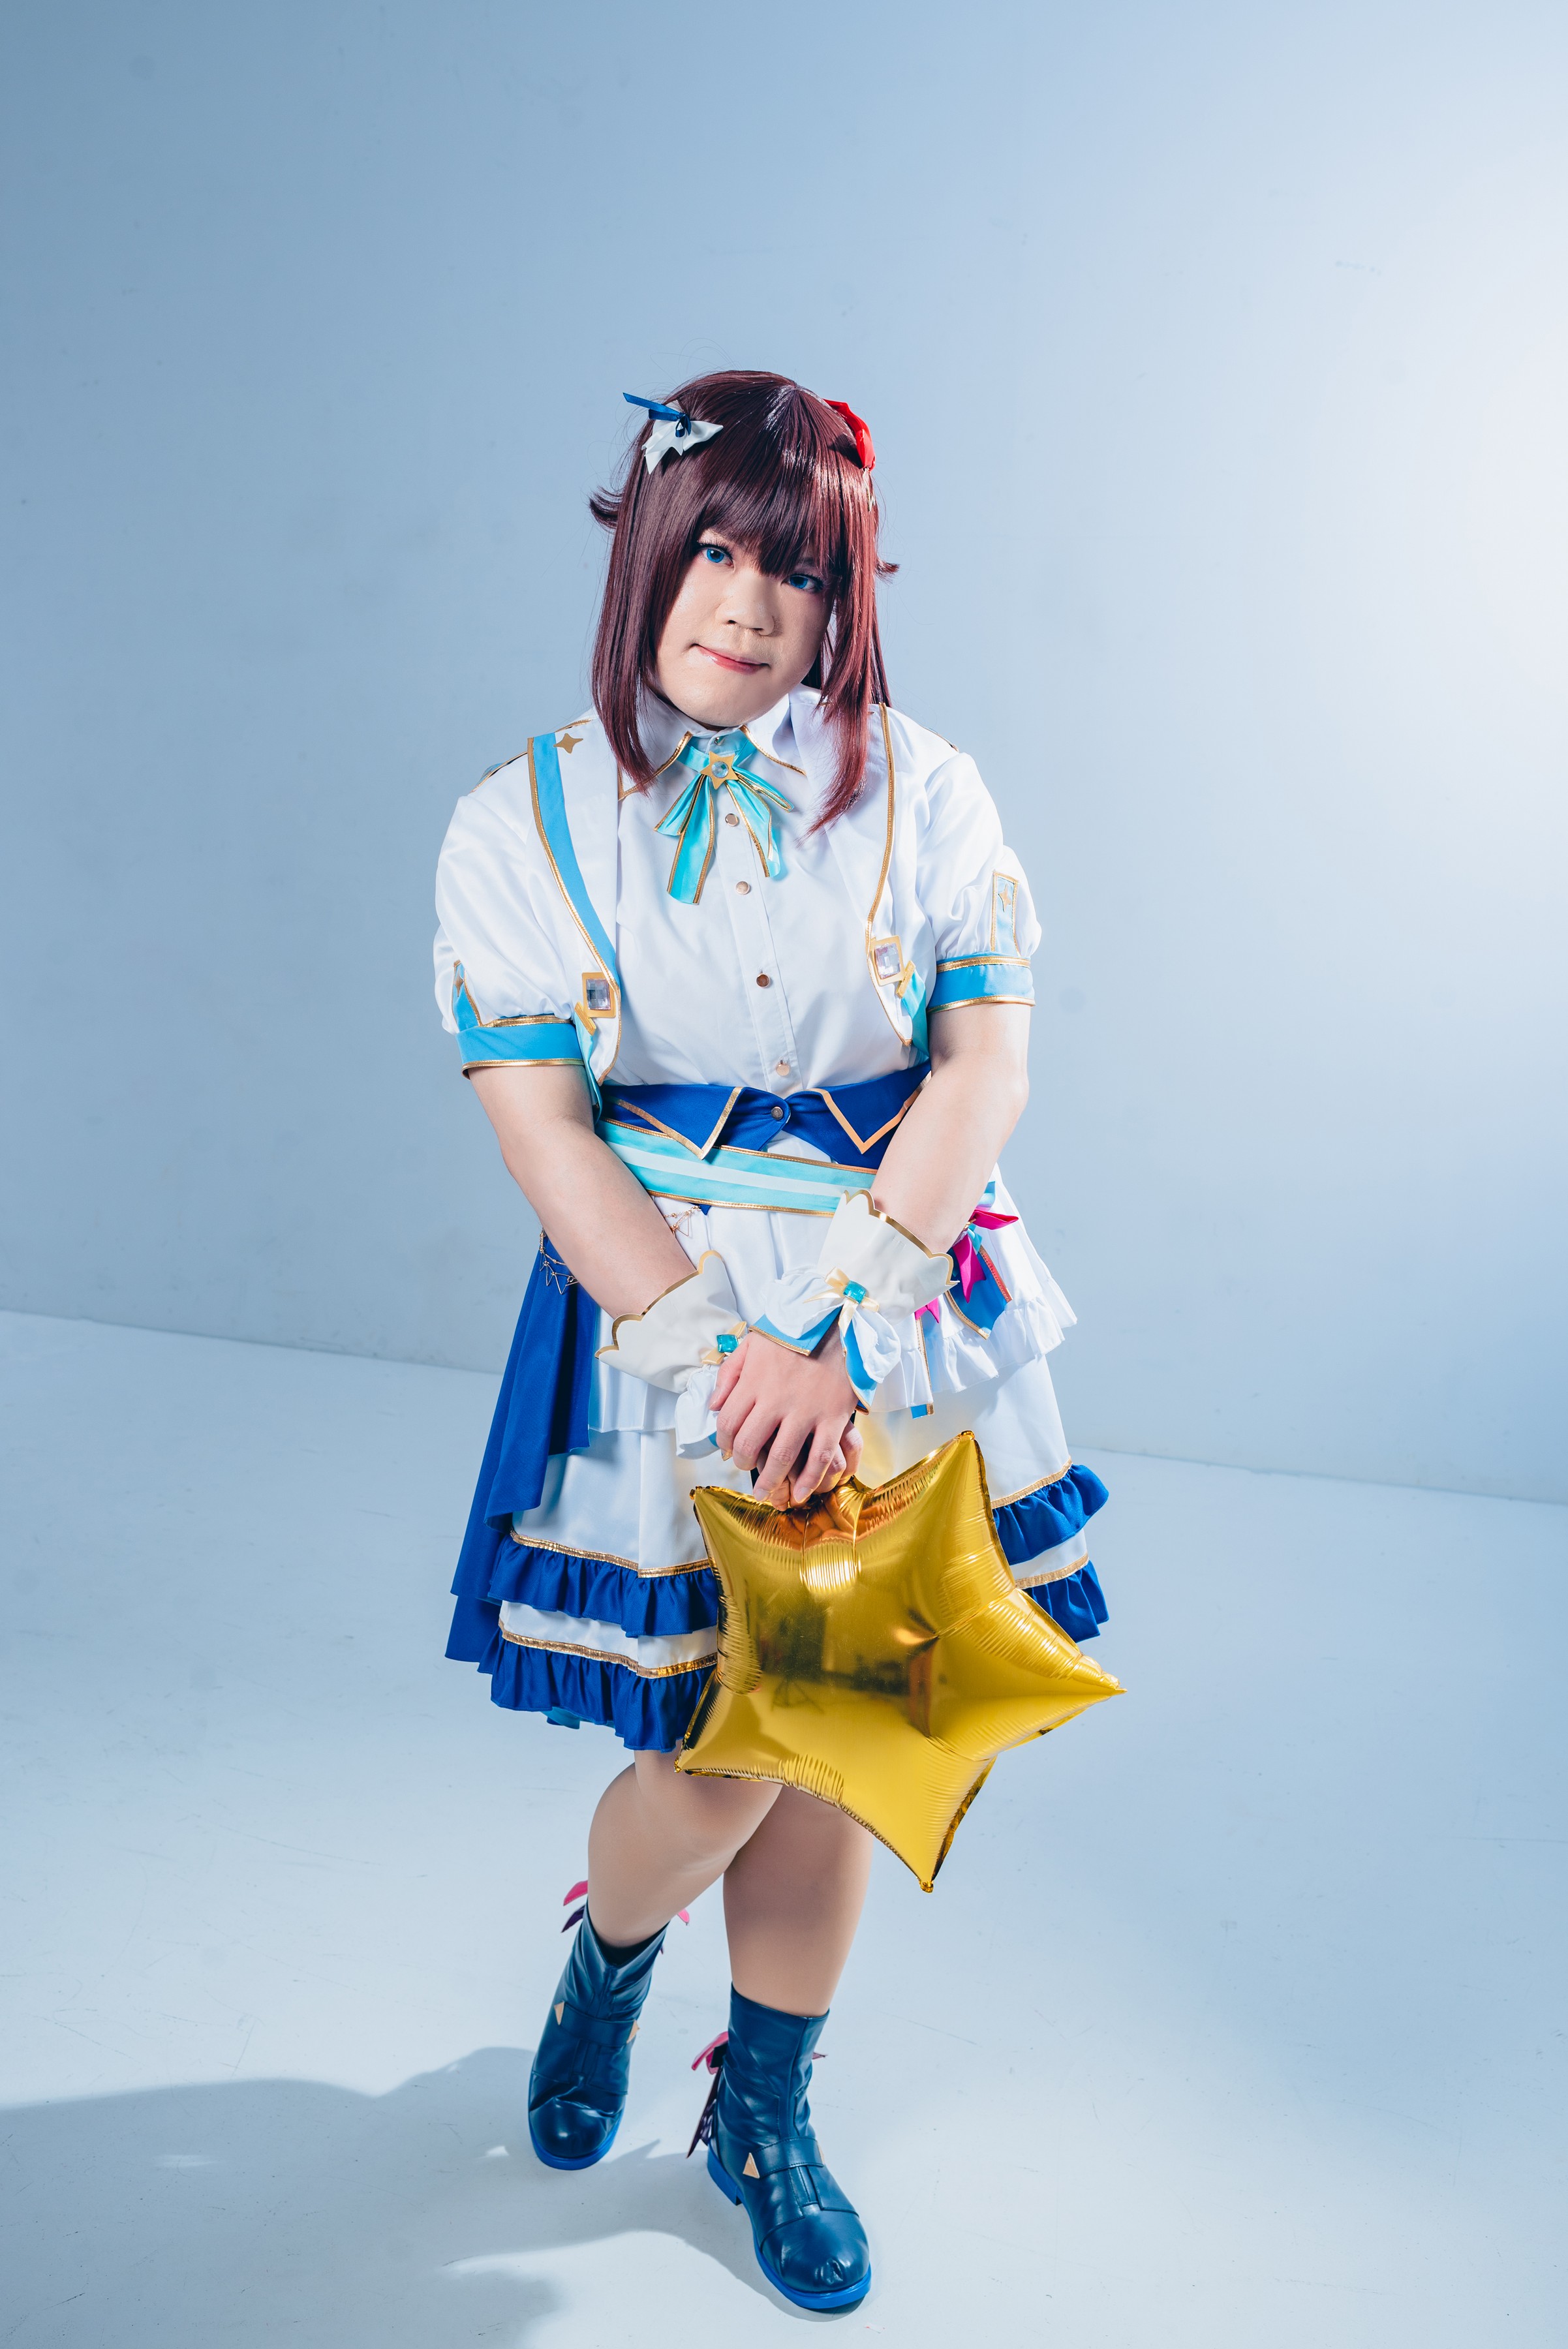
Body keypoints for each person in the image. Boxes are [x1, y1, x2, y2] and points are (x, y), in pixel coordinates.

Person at [431, 371, 1109, 2312]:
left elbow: (981, 1069)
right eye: (713, 548)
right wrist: (715, 1352)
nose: (746, 601)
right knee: (709, 1758)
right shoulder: (519, 819)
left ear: (844, 597)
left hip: (892, 1298)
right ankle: (612, 1954)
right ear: (645, 551)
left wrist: (842, 1336)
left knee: (833, 1736)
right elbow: (544, 1125)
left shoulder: (930, 790)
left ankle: (763, 2110)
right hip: (668, 1320)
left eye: (797, 570)